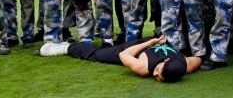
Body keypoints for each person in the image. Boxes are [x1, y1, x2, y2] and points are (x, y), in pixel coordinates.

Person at [65, 35, 201, 82]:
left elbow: (199, 59)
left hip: (149, 46)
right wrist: (150, 43)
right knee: (98, 55)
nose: (155, 74)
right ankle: (67, 47)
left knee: (102, 54)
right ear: (166, 61)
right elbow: (123, 54)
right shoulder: (143, 67)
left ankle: (67, 48)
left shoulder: (185, 65)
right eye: (158, 70)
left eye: (159, 77)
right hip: (138, 47)